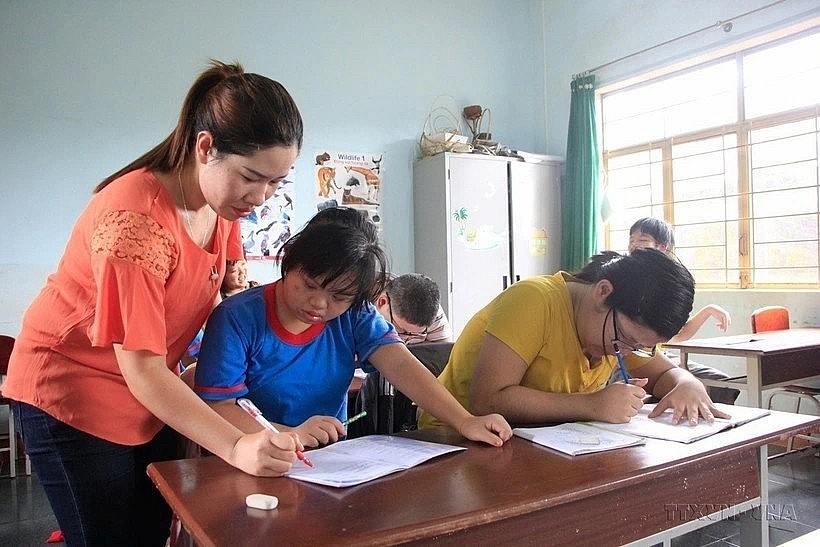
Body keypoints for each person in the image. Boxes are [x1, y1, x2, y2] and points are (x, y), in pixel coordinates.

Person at [1, 60, 307, 546]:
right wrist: (236, 445)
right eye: (252, 176)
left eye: (276, 182)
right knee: (109, 536)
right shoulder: (135, 222)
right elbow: (141, 368)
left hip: (151, 392)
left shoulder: (222, 206)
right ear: (205, 147)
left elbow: (234, 299)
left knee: (153, 528)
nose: (261, 197)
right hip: (73, 390)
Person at [192, 206, 511, 450]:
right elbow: (217, 408)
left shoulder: (354, 315)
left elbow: (400, 364)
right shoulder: (236, 319)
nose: (319, 304)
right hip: (251, 456)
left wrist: (464, 421)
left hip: (328, 461)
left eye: (339, 296)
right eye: (309, 285)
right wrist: (288, 435)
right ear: (288, 261)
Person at [418, 249, 731, 429]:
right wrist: (592, 405)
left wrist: (687, 385)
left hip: (534, 444)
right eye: (626, 340)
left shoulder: (617, 331)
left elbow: (664, 373)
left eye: (638, 348)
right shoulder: (534, 300)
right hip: (454, 440)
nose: (624, 353)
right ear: (603, 292)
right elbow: (487, 400)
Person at [618, 217, 739, 404]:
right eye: (631, 240)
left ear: (663, 247)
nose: (633, 246)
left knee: (721, 383)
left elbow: (676, 335)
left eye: (641, 240)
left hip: (658, 358)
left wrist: (707, 311)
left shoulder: (669, 284)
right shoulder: (627, 280)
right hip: (628, 358)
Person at [372, 273, 453, 345]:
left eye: (418, 334)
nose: (406, 340)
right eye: (401, 330)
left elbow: (443, 354)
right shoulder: (361, 303)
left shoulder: (431, 308)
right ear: (382, 302)